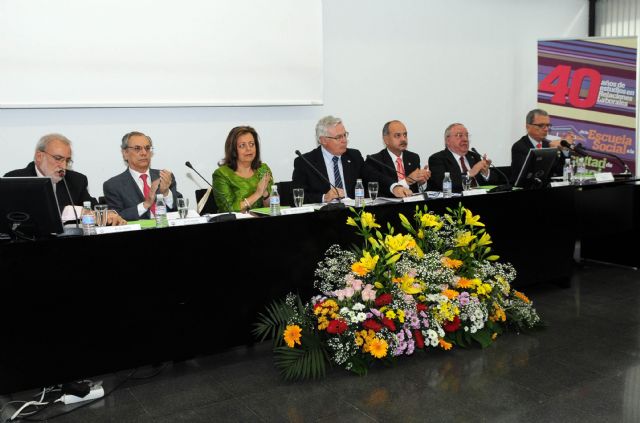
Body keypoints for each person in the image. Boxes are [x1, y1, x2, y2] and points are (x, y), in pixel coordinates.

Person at [4, 133, 126, 225]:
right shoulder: (15, 180)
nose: (63, 166)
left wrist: (109, 214)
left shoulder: (76, 180)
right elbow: (22, 216)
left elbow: (93, 207)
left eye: (67, 160)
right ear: (39, 156)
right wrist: (80, 212)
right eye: (58, 158)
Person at [103, 131, 181, 221]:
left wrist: (166, 193)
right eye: (137, 148)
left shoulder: (164, 177)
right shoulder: (113, 185)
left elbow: (181, 208)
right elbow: (116, 218)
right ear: (125, 153)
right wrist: (146, 204)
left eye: (147, 148)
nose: (144, 153)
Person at [211, 126, 273, 212]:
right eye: (242, 145)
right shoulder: (221, 175)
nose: (249, 149)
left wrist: (265, 194)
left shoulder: (263, 169)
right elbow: (228, 209)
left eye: (252, 144)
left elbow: (273, 208)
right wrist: (257, 194)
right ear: (233, 150)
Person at [364, 120, 430, 197]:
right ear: (386, 140)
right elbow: (381, 190)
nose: (403, 139)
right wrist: (407, 181)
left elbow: (417, 190)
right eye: (398, 135)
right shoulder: (375, 161)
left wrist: (421, 182)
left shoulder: (413, 158)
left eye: (405, 135)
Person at [427, 123, 496, 192]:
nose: (465, 139)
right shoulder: (437, 159)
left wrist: (485, 173)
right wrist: (470, 173)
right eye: (459, 135)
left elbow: (495, 183)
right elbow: (442, 184)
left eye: (467, 135)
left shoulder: (474, 156)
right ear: (447, 141)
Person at [511, 108, 572, 181]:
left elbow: (559, 172)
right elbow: (530, 174)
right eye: (541, 125)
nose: (546, 129)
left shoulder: (547, 144)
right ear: (528, 127)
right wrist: (548, 151)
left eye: (547, 125)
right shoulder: (520, 146)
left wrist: (564, 150)